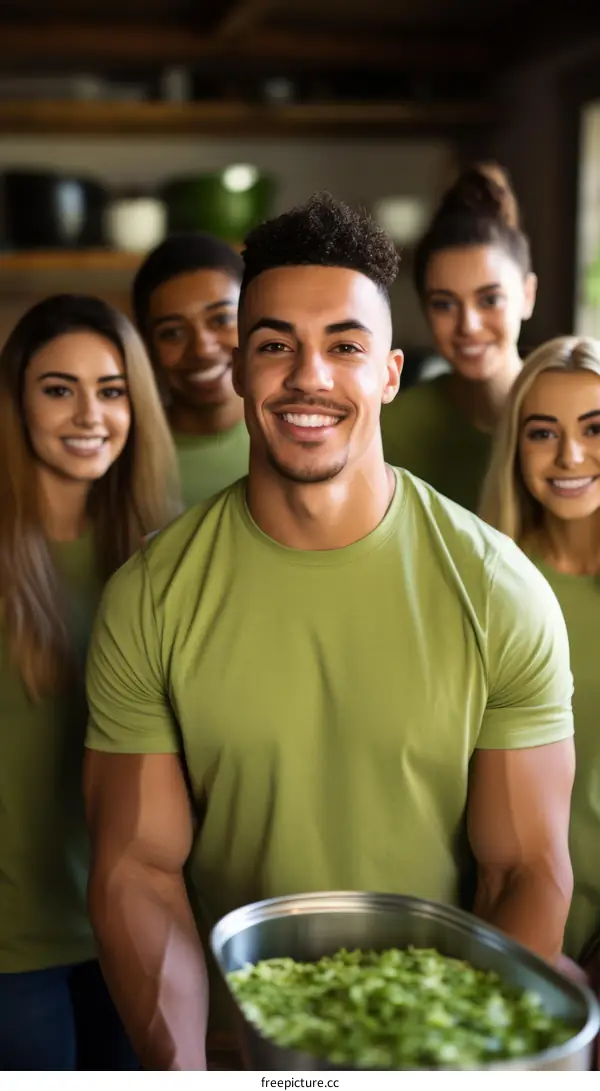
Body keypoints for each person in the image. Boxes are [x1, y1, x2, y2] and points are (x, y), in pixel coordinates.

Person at [84, 194, 575, 1072]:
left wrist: (451, 1060)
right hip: (232, 1043)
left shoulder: (501, 591)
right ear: (237, 368)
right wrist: (188, 1068)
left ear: (388, 372)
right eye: (274, 345)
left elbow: (525, 873)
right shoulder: (149, 597)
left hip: (432, 1045)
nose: (309, 376)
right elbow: (138, 871)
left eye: (343, 346)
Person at [0, 294, 180, 1070]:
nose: (89, 413)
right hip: (13, 948)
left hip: (135, 937)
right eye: (57, 387)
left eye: (110, 389)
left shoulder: (163, 559)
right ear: (16, 401)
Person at [480, 335, 600, 980]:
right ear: (515, 446)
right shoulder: (487, 585)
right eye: (543, 432)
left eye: (594, 428)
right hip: (509, 927)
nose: (571, 456)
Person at [382, 163, 537, 512]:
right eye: (444, 304)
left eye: (490, 300)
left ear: (527, 296)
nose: (468, 324)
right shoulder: (390, 430)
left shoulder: (576, 417)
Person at [133, 232, 250, 508]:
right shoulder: (120, 458)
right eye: (172, 332)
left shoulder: (301, 435)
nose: (202, 349)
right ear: (146, 347)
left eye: (221, 319)